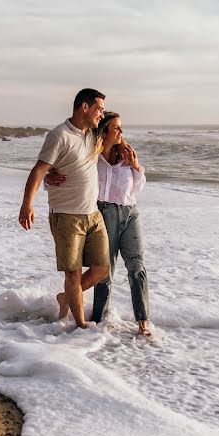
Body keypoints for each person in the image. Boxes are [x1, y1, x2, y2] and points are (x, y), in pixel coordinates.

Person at [47, 111, 151, 336]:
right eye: (116, 128)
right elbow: (64, 175)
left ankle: (143, 321)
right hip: (102, 213)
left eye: (121, 127)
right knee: (105, 272)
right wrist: (48, 178)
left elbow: (138, 187)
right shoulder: (90, 156)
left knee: (137, 266)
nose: (121, 132)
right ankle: (98, 320)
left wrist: (135, 165)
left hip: (130, 213)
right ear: (104, 131)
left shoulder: (126, 154)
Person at [18, 89, 111, 329]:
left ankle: (66, 297)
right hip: (67, 216)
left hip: (93, 215)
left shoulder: (93, 134)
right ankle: (80, 326)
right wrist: (27, 204)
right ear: (84, 107)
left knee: (101, 269)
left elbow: (114, 126)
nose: (101, 114)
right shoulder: (59, 135)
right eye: (98, 108)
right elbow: (39, 169)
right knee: (73, 274)